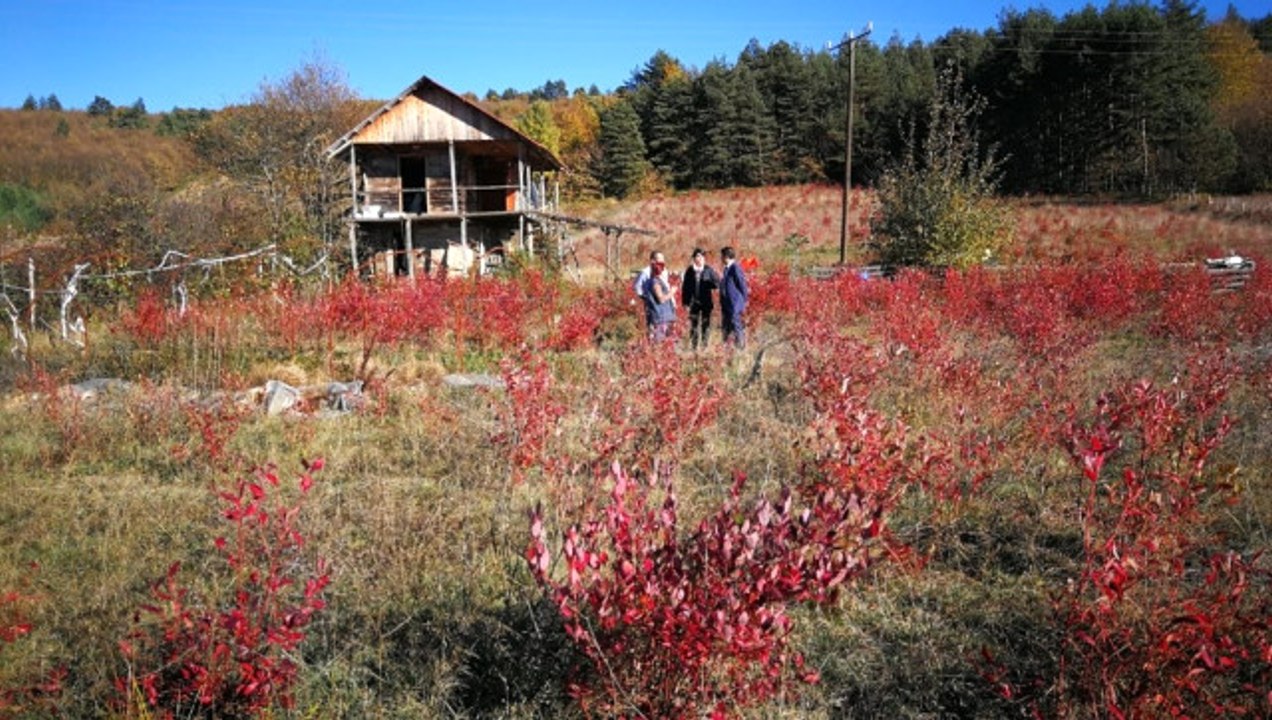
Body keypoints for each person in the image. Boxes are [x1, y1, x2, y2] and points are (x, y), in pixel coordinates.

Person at [680, 247, 720, 350]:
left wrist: (710, 284)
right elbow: (685, 287)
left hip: (706, 302)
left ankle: (704, 345)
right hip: (693, 302)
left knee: (705, 324)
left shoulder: (708, 270)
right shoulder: (690, 270)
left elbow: (717, 283)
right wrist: (685, 302)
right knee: (694, 325)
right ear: (694, 258)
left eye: (702, 257)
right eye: (697, 257)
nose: (700, 259)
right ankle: (694, 346)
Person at [719, 245, 749, 349]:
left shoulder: (735, 268)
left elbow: (742, 284)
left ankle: (740, 347)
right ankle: (727, 348)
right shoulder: (726, 269)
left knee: (736, 325)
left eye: (722, 256)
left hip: (734, 303)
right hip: (727, 303)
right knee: (726, 326)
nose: (721, 259)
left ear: (726, 256)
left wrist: (745, 300)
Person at [641, 256, 676, 341]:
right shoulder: (655, 282)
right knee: (660, 344)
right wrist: (671, 292)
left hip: (658, 317)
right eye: (663, 269)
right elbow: (661, 299)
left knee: (661, 345)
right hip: (661, 318)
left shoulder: (649, 282)